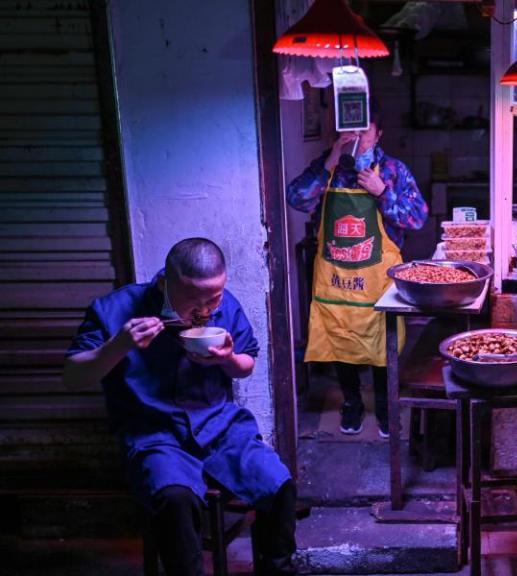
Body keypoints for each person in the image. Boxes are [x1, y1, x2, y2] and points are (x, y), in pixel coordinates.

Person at [63, 238, 296, 576]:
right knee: (175, 498)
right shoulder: (115, 309)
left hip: (221, 429)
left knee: (279, 483)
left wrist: (227, 358)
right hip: (154, 435)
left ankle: (277, 568)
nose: (205, 309)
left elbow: (247, 363)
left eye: (213, 297)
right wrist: (120, 344)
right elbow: (73, 376)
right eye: (193, 300)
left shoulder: (224, 305)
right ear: (164, 283)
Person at [287, 100, 428, 437]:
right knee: (340, 341)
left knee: (383, 344)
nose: (357, 138)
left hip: (378, 278)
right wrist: (328, 164)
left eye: (364, 131)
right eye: (350, 131)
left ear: (378, 134)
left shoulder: (393, 171)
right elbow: (297, 199)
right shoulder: (329, 166)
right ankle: (351, 404)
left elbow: (418, 217)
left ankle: (383, 408)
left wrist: (383, 194)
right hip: (337, 278)